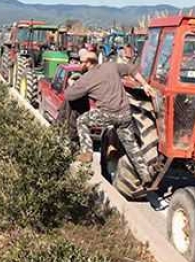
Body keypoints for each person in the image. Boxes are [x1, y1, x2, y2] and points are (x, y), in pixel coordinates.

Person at [63, 51, 154, 185]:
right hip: (125, 115)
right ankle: (145, 175)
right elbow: (131, 69)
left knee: (82, 121)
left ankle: (87, 153)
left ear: (88, 63)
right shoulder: (111, 66)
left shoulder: (87, 78)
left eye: (81, 62)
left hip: (108, 115)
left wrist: (72, 83)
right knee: (131, 146)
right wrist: (145, 84)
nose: (79, 64)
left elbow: (69, 96)